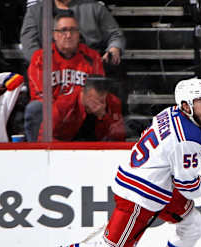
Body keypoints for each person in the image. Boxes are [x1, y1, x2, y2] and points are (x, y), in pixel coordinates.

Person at [18, 78, 201, 247]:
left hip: (152, 185)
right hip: (140, 195)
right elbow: (189, 188)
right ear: (185, 105)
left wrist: (185, 166)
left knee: (192, 222)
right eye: (200, 100)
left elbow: (174, 162)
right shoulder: (189, 138)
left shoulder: (171, 113)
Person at [25, 12, 105, 142]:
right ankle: (37, 153)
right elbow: (40, 96)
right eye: (63, 30)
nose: (68, 35)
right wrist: (72, 100)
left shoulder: (92, 57)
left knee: (105, 106)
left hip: (81, 116)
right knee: (35, 108)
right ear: (54, 34)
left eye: (73, 30)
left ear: (79, 34)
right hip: (52, 118)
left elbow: (96, 94)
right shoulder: (41, 57)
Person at [20, 0, 125, 66]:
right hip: (50, 67)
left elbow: (115, 34)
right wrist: (42, 62)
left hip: (89, 65)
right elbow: (29, 42)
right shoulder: (35, 11)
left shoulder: (95, 7)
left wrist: (114, 48)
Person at [42, 75, 125, 141]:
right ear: (83, 92)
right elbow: (43, 137)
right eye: (92, 99)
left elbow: (118, 137)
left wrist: (103, 116)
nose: (97, 104)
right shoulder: (64, 104)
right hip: (67, 147)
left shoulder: (113, 102)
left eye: (102, 101)